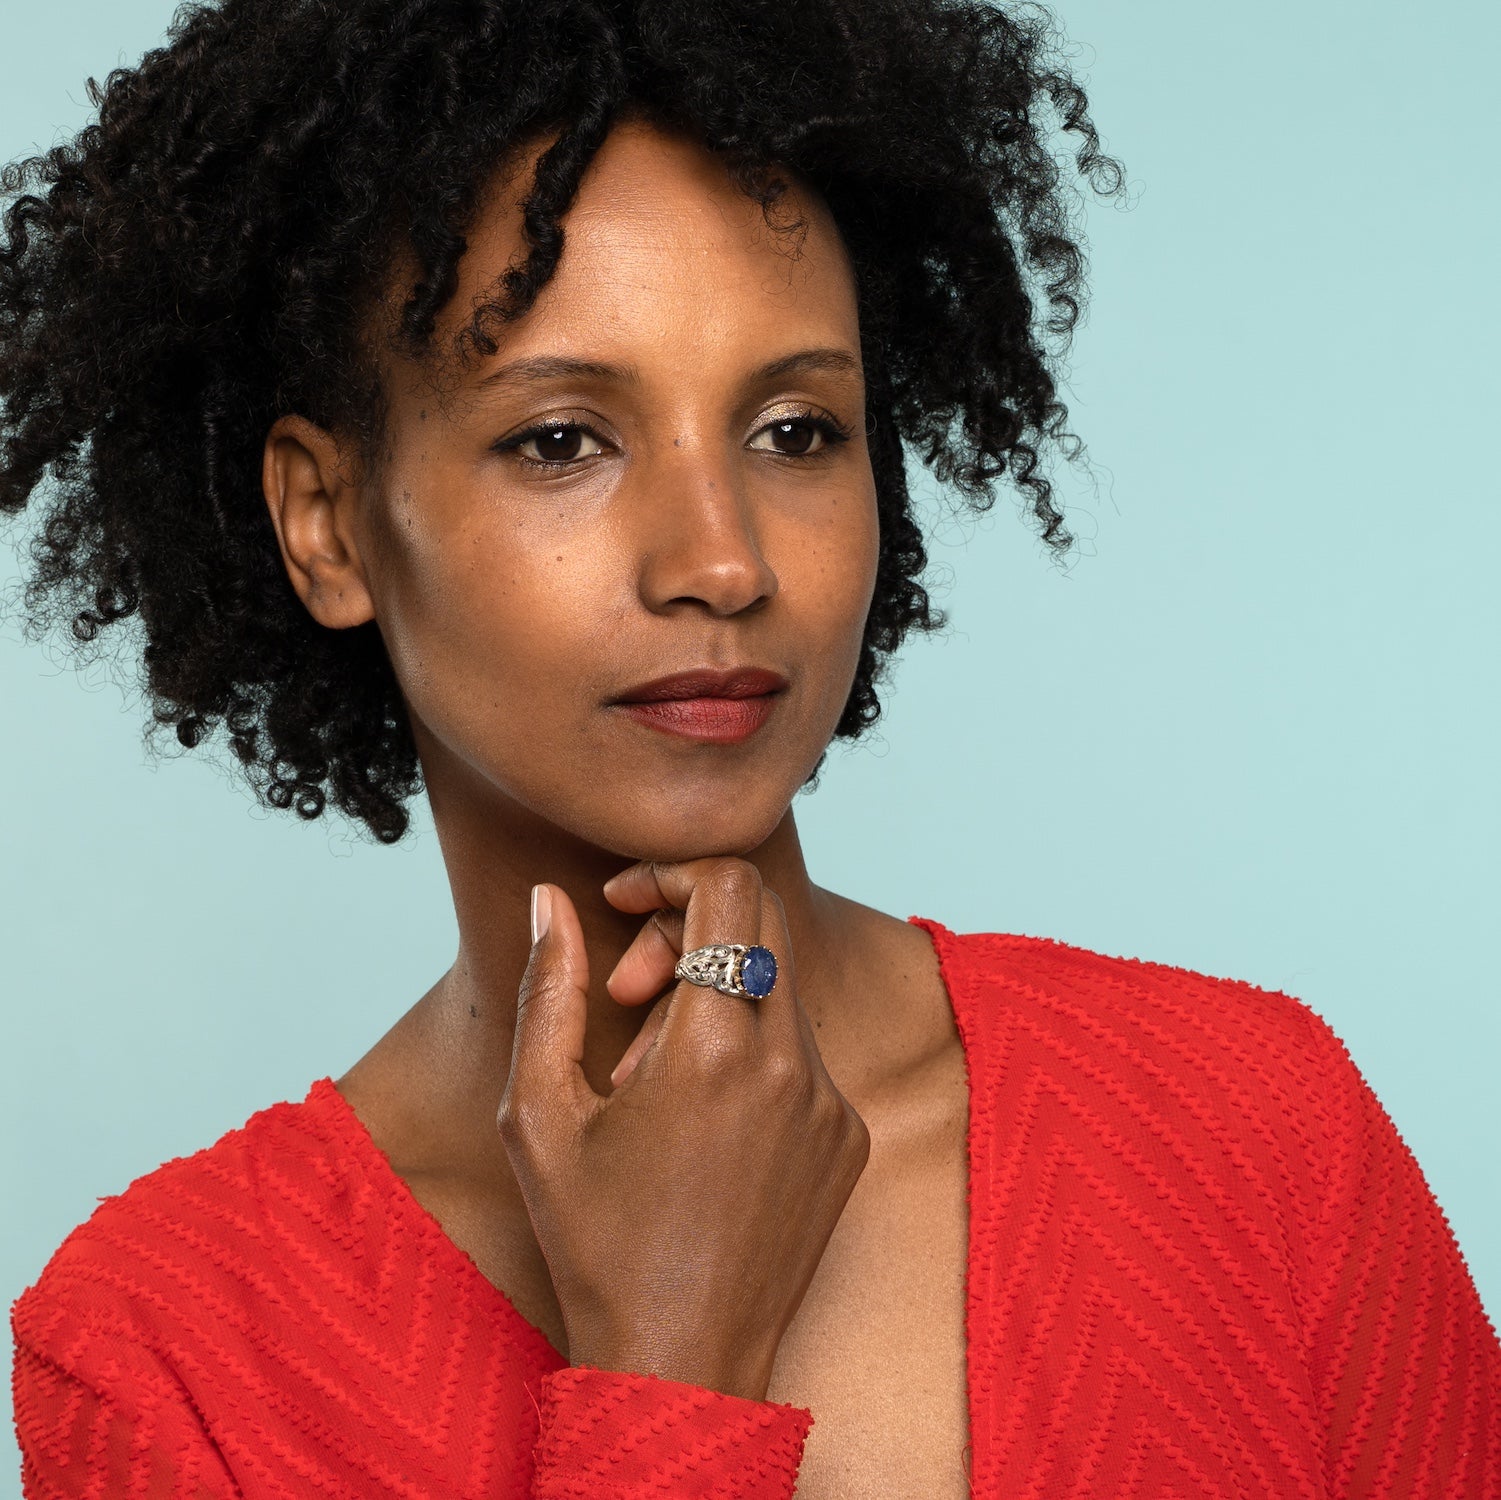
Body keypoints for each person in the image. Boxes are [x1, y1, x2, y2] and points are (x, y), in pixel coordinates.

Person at [4, 0, 1497, 1494]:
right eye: (560, 440)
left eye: (793, 430)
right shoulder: (175, 1359)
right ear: (327, 524)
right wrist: (666, 1364)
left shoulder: (1242, 1130)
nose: (720, 561)